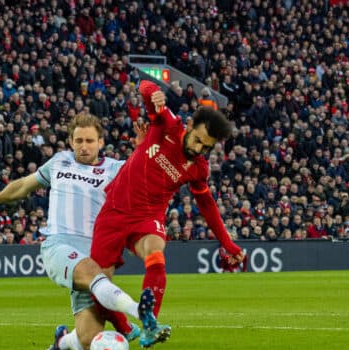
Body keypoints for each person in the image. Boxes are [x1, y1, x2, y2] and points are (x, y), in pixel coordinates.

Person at [0, 113, 170, 350]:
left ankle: (63, 340)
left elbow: (152, 177)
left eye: (89, 141)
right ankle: (141, 315)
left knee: (88, 339)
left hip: (96, 252)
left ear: (100, 142)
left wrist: (142, 151)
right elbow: (22, 186)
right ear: (70, 141)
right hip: (59, 245)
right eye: (78, 141)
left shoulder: (117, 169)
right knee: (92, 274)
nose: (83, 146)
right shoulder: (59, 162)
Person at [91, 80, 245, 318]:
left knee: (156, 253)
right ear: (190, 124)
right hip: (115, 209)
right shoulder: (168, 125)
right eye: (197, 140)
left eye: (206, 148)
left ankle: (150, 322)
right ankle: (128, 329)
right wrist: (155, 94)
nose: (198, 149)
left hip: (148, 217)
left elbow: (207, 205)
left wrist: (228, 243)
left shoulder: (198, 168)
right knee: (99, 286)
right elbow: (144, 87)